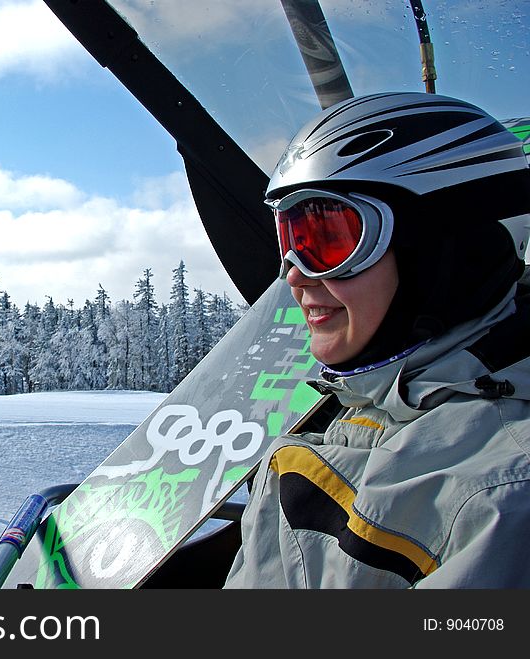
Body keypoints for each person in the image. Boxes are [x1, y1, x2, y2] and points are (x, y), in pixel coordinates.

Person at [223, 91, 530, 588]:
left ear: (444, 253)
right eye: (290, 240)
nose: (294, 277)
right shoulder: (381, 408)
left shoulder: (499, 498)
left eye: (328, 239)